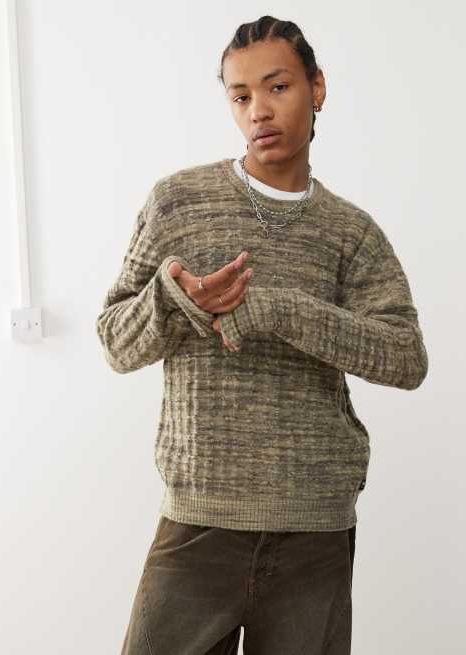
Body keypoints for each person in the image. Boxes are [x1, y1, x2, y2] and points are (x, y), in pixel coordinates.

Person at [96, 14, 429, 655]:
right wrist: (174, 299)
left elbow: (405, 357)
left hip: (314, 532)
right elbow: (115, 341)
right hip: (198, 523)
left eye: (277, 87)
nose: (259, 111)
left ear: (317, 88)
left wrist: (281, 311)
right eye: (240, 95)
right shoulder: (178, 202)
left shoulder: (351, 232)